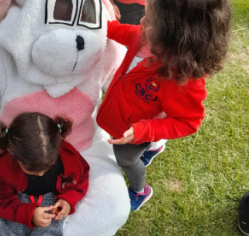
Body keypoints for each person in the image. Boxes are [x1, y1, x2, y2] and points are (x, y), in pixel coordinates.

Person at [97, 0, 231, 211]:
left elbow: (188, 122)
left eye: (151, 19)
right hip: (129, 117)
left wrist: (145, 130)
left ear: (176, 33)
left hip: (135, 131)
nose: (142, 21)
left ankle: (140, 191)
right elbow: (123, 32)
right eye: (146, 13)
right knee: (150, 138)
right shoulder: (145, 35)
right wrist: (99, 26)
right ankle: (156, 145)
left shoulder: (183, 78)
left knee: (125, 159)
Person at [0, 112, 90, 236]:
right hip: (18, 200)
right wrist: (28, 214)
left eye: (48, 166)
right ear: (11, 151)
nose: (41, 173)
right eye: (32, 169)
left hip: (53, 198)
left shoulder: (68, 158)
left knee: (49, 230)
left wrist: (68, 199)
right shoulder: (3, 172)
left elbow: (81, 177)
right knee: (12, 230)